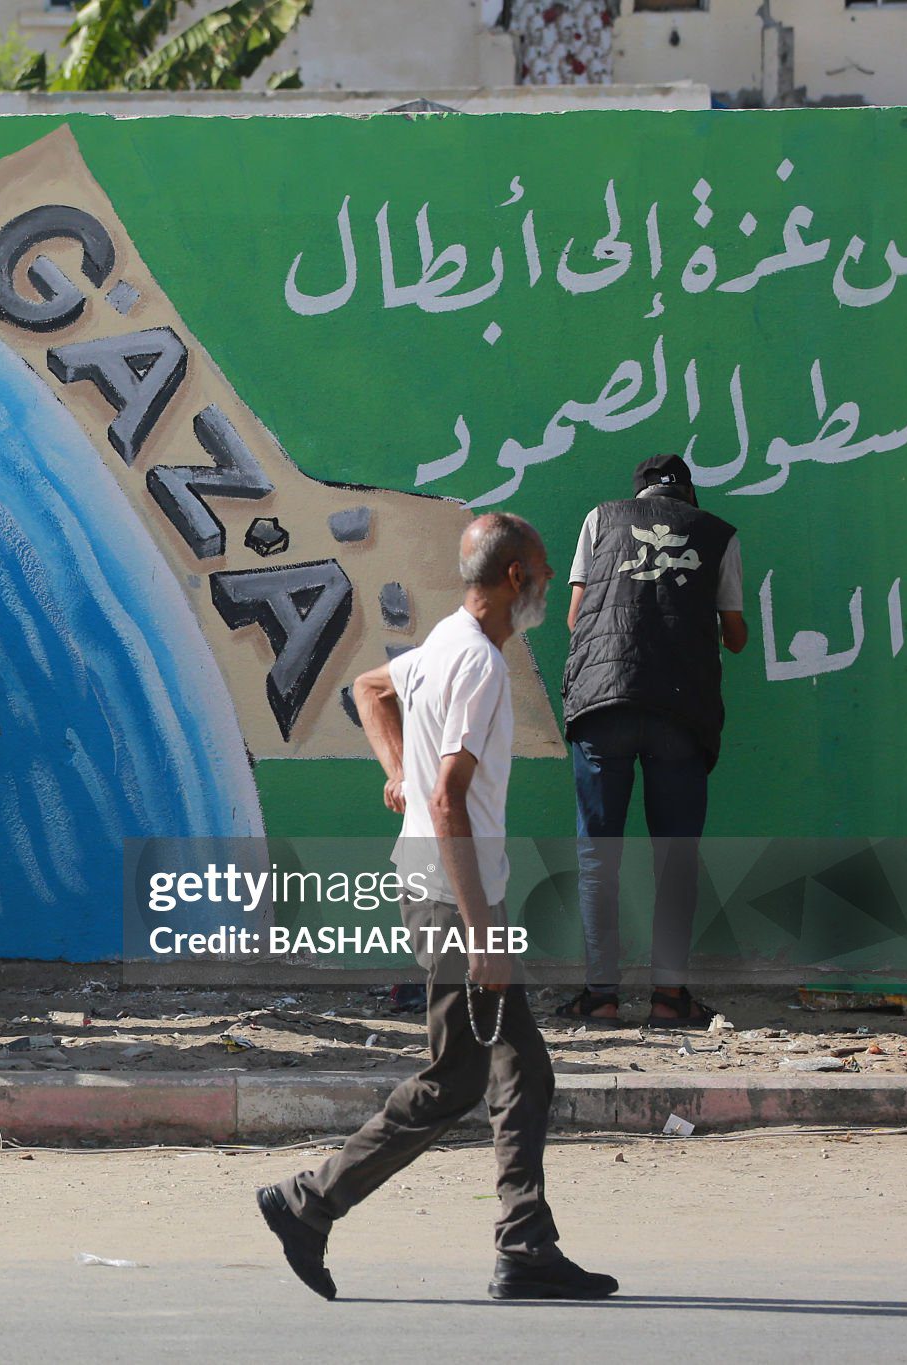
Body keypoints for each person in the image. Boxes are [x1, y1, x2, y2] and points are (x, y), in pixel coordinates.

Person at [257, 513, 618, 1303]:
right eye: (546, 571)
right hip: (457, 899)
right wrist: (486, 931)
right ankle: (310, 1201)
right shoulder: (481, 664)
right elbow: (451, 801)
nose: (550, 585)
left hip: (438, 888)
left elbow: (369, 688)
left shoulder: (447, 643)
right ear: (516, 576)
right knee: (458, 1079)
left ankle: (523, 1241)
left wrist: (397, 771)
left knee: (515, 1069)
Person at [557, 454, 746, 1029]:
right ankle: (669, 1000)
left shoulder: (600, 519)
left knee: (599, 859)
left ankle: (601, 997)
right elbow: (735, 637)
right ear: (687, 495)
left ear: (637, 495)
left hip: (602, 703)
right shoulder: (718, 534)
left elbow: (575, 617)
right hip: (679, 710)